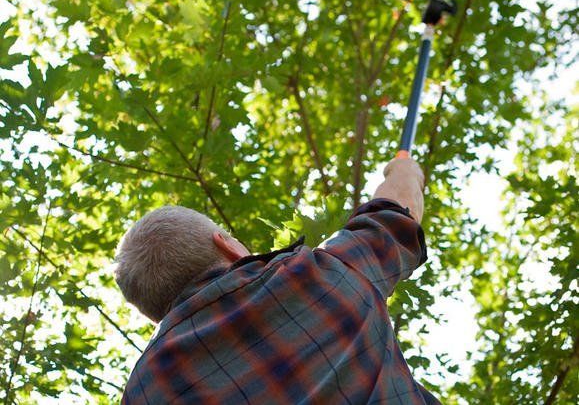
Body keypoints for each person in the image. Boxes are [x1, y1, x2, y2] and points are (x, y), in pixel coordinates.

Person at [114, 157, 440, 404]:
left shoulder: (144, 389)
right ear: (225, 243)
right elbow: (394, 215)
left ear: (155, 312)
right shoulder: (317, 276)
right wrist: (405, 170)